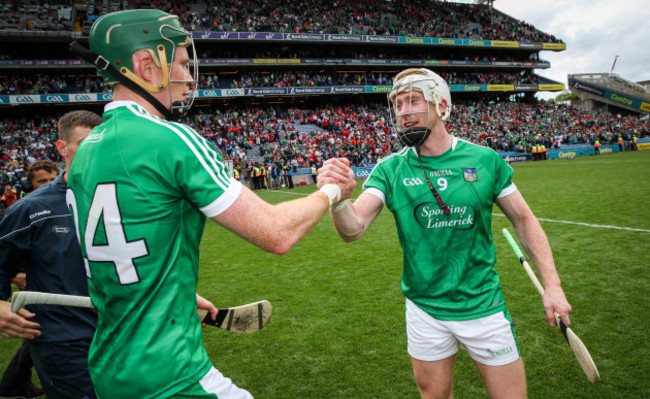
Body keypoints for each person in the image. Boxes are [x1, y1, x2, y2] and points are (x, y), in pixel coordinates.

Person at [66, 9, 354, 399]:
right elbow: (276, 233)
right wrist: (330, 192)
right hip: (171, 374)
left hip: (110, 369)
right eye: (182, 63)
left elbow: (121, 260)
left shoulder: (84, 153)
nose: (188, 76)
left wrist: (175, 294)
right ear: (145, 65)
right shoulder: (170, 139)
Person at [318, 68, 572, 399]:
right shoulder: (390, 169)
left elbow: (524, 219)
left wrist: (552, 286)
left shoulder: (484, 160)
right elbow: (354, 230)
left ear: (441, 104)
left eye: (413, 100)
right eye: (397, 104)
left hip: (483, 305)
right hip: (425, 309)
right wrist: (338, 202)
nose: (404, 112)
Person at [0, 110, 103, 399]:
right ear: (62, 148)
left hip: (123, 332)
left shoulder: (126, 199)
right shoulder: (30, 209)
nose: (97, 151)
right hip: (65, 340)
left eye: (103, 142)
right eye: (85, 143)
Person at [0, 159, 61, 399]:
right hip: (37, 287)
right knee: (37, 333)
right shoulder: (23, 208)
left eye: (51, 179)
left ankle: (13, 386)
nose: (47, 185)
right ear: (29, 184)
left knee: (36, 334)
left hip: (56, 284)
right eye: (41, 181)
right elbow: (5, 252)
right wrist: (16, 277)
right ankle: (11, 387)